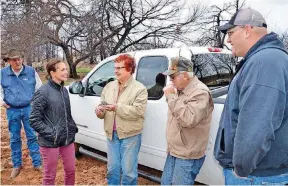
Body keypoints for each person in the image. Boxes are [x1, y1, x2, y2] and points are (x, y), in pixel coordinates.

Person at [214, 8, 288, 185]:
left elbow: (258, 126)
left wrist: (241, 169)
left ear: (247, 30)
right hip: (257, 174)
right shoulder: (262, 59)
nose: (228, 40)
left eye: (231, 33)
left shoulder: (265, 62)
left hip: (255, 176)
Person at [95, 54, 148, 185]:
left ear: (129, 69)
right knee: (112, 169)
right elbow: (102, 105)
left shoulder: (140, 89)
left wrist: (117, 108)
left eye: (120, 68)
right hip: (111, 135)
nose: (116, 71)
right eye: (115, 68)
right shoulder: (109, 86)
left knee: (128, 171)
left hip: (130, 136)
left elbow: (138, 111)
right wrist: (99, 111)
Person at [161, 56, 214, 185]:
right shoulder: (181, 90)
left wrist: (171, 97)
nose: (171, 80)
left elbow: (188, 119)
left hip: (187, 155)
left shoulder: (200, 92)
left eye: (173, 77)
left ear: (185, 75)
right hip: (175, 151)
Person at [30, 59, 78, 185]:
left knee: (71, 170)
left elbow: (66, 114)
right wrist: (53, 133)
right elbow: (34, 120)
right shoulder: (43, 92)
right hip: (50, 141)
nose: (66, 72)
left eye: (66, 69)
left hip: (67, 139)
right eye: (62, 69)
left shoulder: (64, 90)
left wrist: (72, 127)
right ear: (52, 72)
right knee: (50, 175)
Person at [0, 49, 42, 178]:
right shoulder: (2, 73)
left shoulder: (30, 71)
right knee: (14, 138)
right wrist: (2, 102)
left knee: (32, 136)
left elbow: (39, 88)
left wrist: (35, 103)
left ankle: (37, 163)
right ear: (9, 61)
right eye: (14, 60)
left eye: (19, 59)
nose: (17, 61)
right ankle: (17, 165)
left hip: (29, 108)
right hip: (12, 110)